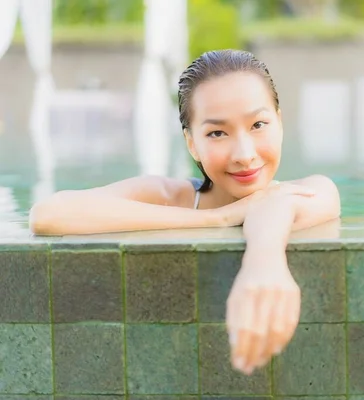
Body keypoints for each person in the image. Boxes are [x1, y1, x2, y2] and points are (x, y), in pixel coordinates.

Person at [29, 49, 341, 375]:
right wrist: (214, 219)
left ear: (280, 122)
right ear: (192, 143)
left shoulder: (308, 189)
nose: (245, 155)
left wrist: (264, 264)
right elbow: (48, 214)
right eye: (217, 133)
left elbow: (274, 207)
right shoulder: (167, 195)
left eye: (258, 124)